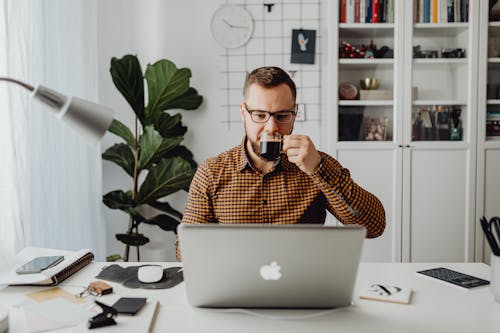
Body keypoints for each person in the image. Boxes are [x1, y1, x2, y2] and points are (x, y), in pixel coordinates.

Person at [176, 66, 385, 260]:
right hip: (236, 288)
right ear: (243, 113)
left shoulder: (315, 164)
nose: (271, 128)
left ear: (294, 114)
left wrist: (319, 169)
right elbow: (185, 252)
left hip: (301, 288)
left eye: (282, 116)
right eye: (259, 115)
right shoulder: (212, 172)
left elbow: (374, 226)